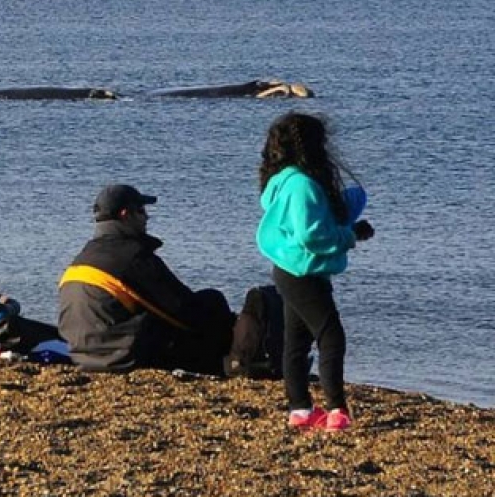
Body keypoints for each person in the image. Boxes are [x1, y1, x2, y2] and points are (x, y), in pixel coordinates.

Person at [257, 112, 374, 432]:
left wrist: (347, 221)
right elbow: (312, 235)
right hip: (304, 270)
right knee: (331, 335)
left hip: (288, 268)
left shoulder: (282, 182)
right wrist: (349, 236)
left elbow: (305, 226)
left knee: (296, 339)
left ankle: (300, 410)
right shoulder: (303, 185)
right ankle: (337, 409)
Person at [57, 183, 233, 374]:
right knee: (211, 301)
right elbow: (185, 311)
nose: (147, 217)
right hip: (125, 360)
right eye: (141, 211)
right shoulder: (131, 259)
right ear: (125, 215)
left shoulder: (81, 259)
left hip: (82, 356)